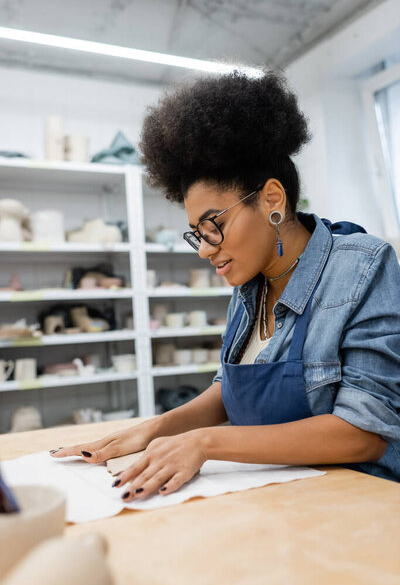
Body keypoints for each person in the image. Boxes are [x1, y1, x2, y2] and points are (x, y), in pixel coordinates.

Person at [50, 70, 400, 498]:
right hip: (278, 496)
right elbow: (228, 387)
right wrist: (153, 429)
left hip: (359, 504)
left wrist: (206, 442)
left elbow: (365, 431)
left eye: (212, 225)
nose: (203, 248)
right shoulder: (249, 284)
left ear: (272, 199)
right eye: (197, 232)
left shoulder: (362, 267)